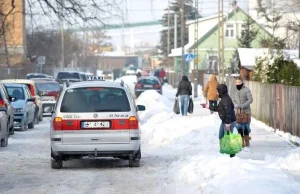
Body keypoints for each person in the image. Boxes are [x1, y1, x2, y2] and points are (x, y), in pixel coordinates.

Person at [217, 84, 236, 158]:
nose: (216, 93)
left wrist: (228, 123)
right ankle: (225, 151)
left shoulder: (226, 100)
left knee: (226, 137)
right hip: (225, 121)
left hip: (228, 121)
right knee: (221, 136)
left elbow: (228, 112)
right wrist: (208, 106)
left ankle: (231, 154)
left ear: (221, 91)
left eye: (217, 91)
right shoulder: (224, 99)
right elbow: (219, 108)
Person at [232, 78, 253, 147]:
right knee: (239, 127)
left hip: (246, 112)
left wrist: (242, 106)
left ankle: (247, 141)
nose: (238, 85)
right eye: (236, 84)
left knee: (246, 127)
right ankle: (241, 142)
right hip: (237, 112)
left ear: (242, 83)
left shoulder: (246, 90)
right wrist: (235, 104)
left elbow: (250, 100)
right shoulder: (234, 90)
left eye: (239, 84)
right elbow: (233, 99)